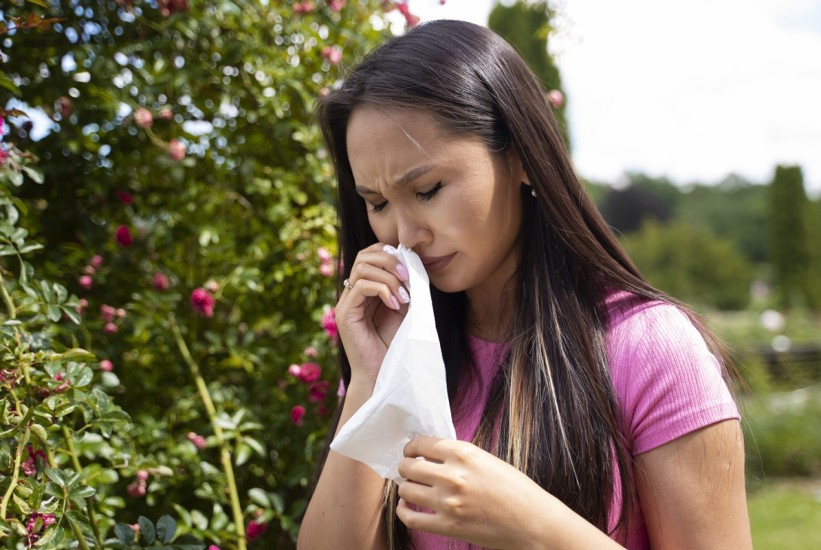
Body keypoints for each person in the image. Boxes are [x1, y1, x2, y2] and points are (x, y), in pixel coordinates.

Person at [298, 19, 751, 550]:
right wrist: (373, 381)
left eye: (427, 189)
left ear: (520, 158)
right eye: (376, 203)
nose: (404, 234)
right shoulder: (401, 349)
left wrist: (533, 527)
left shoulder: (648, 348)